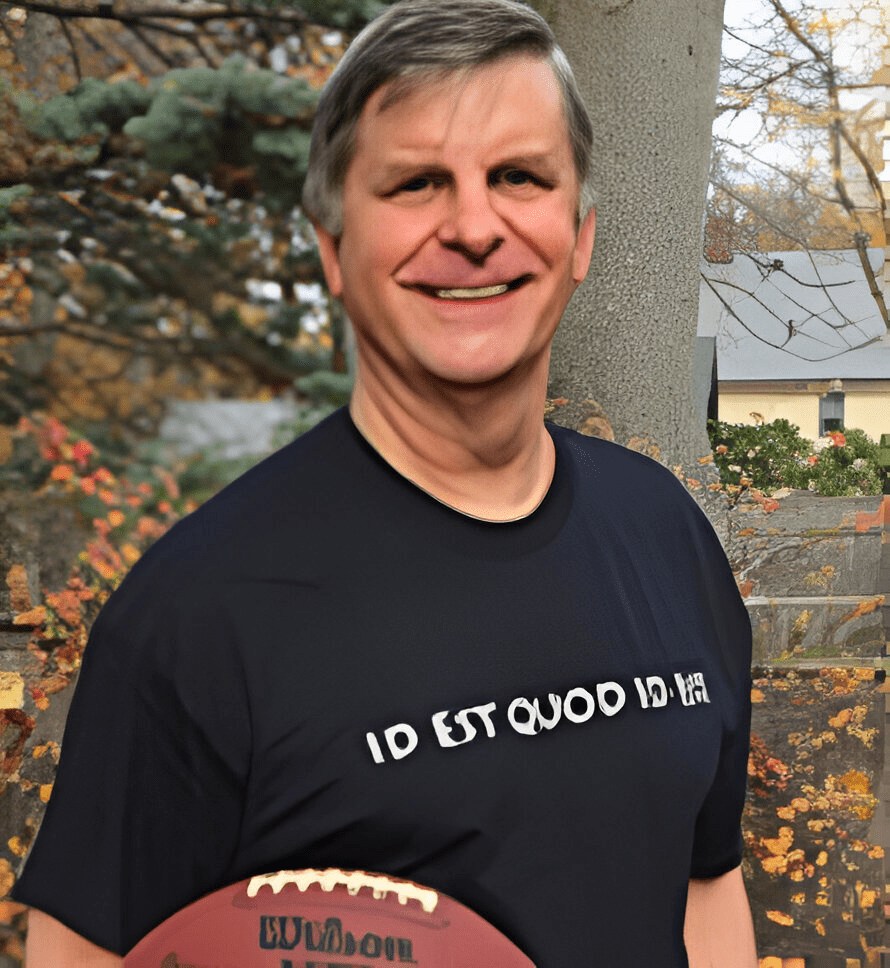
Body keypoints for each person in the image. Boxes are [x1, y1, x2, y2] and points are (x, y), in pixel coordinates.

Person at [15, 0, 757, 965]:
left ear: (580, 236)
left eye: (519, 177)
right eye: (415, 184)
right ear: (332, 248)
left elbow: (707, 885)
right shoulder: (198, 614)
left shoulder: (667, 536)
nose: (475, 226)